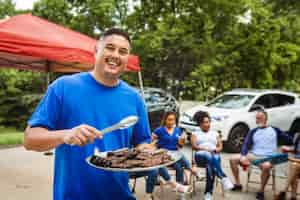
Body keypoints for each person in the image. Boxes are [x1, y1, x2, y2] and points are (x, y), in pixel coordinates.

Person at [24, 28, 155, 200]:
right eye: (110, 47)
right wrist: (65, 135)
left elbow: (141, 143)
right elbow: (29, 139)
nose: (116, 55)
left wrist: (150, 153)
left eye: (123, 52)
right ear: (96, 51)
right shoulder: (63, 87)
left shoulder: (134, 98)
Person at [229, 109, 293, 200]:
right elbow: (246, 144)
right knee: (232, 159)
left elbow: (290, 140)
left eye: (260, 118)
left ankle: (261, 191)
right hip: (254, 156)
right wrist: (243, 156)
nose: (258, 120)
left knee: (266, 166)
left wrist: (288, 147)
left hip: (269, 157)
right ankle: (238, 184)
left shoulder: (274, 130)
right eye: (257, 118)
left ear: (266, 119)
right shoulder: (253, 131)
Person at [191, 111, 234, 200]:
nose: (207, 124)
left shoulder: (215, 133)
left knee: (211, 163)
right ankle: (223, 177)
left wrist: (215, 150)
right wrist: (206, 150)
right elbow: (194, 146)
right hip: (200, 156)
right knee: (208, 156)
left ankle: (208, 193)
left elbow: (220, 146)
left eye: (208, 122)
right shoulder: (195, 133)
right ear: (200, 124)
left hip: (213, 156)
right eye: (205, 122)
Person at [152, 111, 198, 185]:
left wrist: (182, 141)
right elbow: (151, 144)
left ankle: (180, 187)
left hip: (175, 158)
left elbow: (180, 146)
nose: (171, 122)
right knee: (179, 155)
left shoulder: (177, 130)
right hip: (164, 156)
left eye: (173, 120)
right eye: (169, 119)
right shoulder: (159, 130)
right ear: (165, 120)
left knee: (179, 166)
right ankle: (192, 171)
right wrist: (156, 149)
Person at [274, 132, 300, 200]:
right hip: (296, 163)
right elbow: (296, 149)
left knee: (294, 166)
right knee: (294, 169)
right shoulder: (298, 135)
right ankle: (293, 197)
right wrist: (287, 149)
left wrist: (291, 159)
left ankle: (284, 191)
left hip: (296, 162)